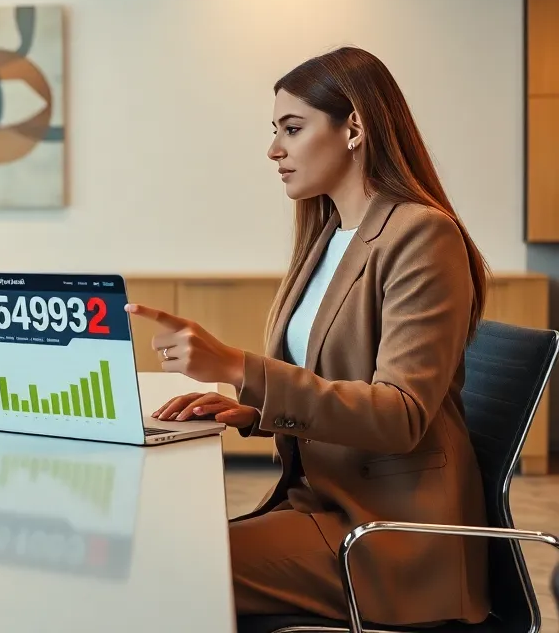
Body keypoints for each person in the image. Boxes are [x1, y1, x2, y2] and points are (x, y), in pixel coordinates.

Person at [130, 46, 490, 627]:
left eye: (292, 129)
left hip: (384, 534)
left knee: (161, 569)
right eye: (275, 131)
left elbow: (399, 415)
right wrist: (250, 411)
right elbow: (335, 384)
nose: (274, 150)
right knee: (155, 557)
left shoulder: (423, 235)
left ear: (354, 128)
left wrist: (240, 368)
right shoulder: (327, 236)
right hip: (320, 505)